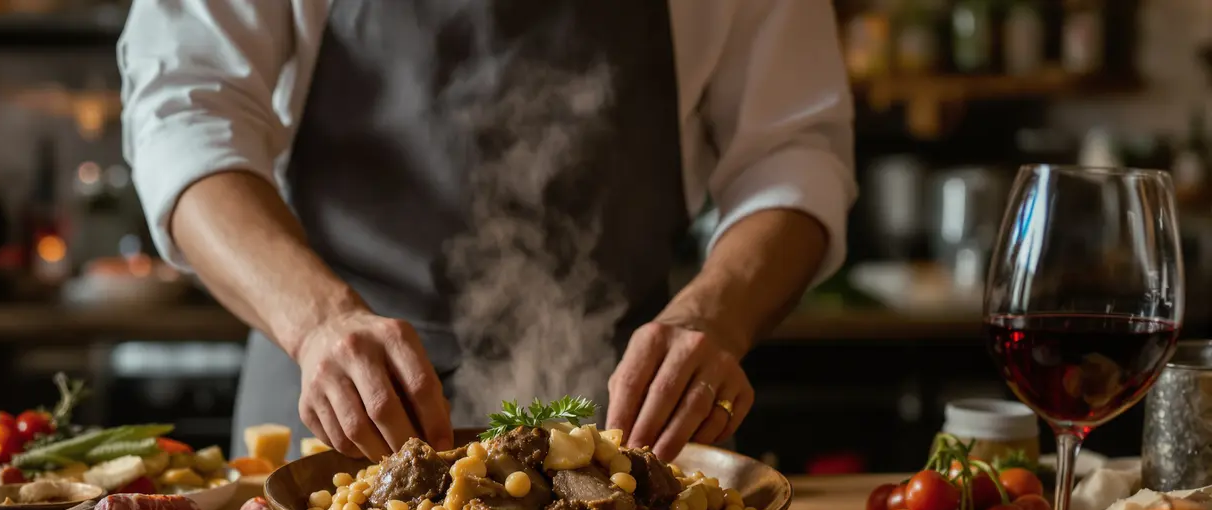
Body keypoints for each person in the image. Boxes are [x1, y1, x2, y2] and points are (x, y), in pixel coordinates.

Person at [119, 0, 856, 464]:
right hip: (327, 408)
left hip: (627, 424)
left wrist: (714, 319)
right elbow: (184, 117)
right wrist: (319, 322)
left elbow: (792, 151)